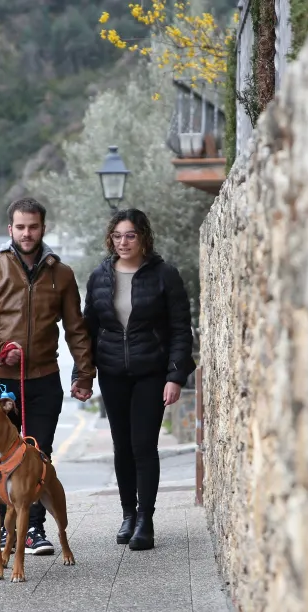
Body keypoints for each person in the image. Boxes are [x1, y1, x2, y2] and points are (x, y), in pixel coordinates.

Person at [0, 197, 94, 555]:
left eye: (33, 226)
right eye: (21, 227)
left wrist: (83, 373)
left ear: (42, 228)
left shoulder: (61, 274)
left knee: (38, 456)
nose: (27, 233)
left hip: (44, 379)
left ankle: (33, 530)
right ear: (10, 230)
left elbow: (76, 328)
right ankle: (5, 531)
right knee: (1, 457)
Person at [82, 208, 195, 551]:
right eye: (117, 236)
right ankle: (128, 514)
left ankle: (146, 519)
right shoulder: (99, 277)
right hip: (112, 373)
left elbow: (180, 329)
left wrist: (175, 376)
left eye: (130, 235)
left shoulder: (165, 275)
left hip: (151, 372)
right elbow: (88, 330)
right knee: (122, 447)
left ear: (144, 237)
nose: (123, 242)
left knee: (143, 446)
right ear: (110, 239)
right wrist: (83, 374)